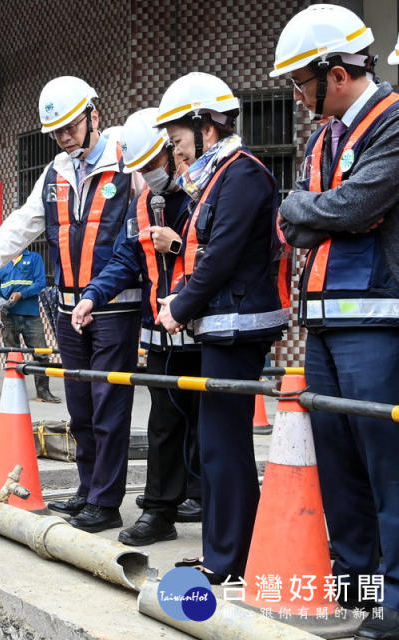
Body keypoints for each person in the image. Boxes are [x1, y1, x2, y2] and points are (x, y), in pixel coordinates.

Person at [0, 76, 141, 533]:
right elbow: (21, 225)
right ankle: (87, 491)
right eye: (56, 132)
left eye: (70, 127)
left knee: (108, 406)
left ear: (93, 115)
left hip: (116, 308)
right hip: (66, 308)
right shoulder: (57, 172)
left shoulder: (126, 158)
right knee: (79, 407)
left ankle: (106, 501)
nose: (63, 138)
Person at [273, 6, 399, 632]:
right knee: (341, 465)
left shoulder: (394, 121)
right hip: (322, 328)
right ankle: (357, 582)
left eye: (302, 82)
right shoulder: (325, 134)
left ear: (338, 72)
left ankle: (396, 600)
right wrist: (319, 209)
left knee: (387, 467)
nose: (298, 96)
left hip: (377, 325)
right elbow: (292, 216)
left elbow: (362, 202)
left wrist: (315, 209)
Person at [152, 72, 288, 583]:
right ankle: (228, 553)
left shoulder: (243, 173)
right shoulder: (218, 175)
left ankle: (228, 560)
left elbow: (223, 254)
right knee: (217, 443)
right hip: (222, 323)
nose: (174, 153)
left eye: (178, 141)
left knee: (223, 444)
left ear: (205, 126)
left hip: (239, 326)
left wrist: (180, 306)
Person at [73, 108, 201, 546]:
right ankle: (160, 511)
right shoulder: (144, 203)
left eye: (152, 165)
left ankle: (205, 498)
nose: (148, 176)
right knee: (165, 424)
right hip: (162, 331)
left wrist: (179, 243)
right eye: (141, 169)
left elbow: (224, 252)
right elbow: (127, 259)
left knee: (211, 425)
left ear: (173, 149)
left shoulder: (204, 191)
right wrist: (92, 295)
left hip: (206, 329)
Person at [0, 249, 60, 403]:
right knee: (12, 356)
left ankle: (43, 392)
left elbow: (40, 283)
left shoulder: (34, 258)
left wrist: (22, 294)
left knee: (41, 353)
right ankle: (14, 394)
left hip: (30, 314)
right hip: (8, 315)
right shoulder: (0, 259)